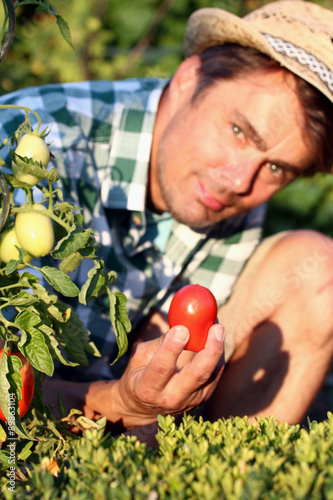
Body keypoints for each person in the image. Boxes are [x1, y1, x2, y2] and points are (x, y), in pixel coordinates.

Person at [0, 0, 333, 441]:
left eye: (278, 168)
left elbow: (159, 371)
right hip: (26, 408)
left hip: (95, 401)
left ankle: (224, 475)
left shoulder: (232, 193)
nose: (239, 180)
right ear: (188, 79)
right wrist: (118, 401)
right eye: (238, 131)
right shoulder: (33, 153)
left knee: (319, 270)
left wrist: (142, 398)